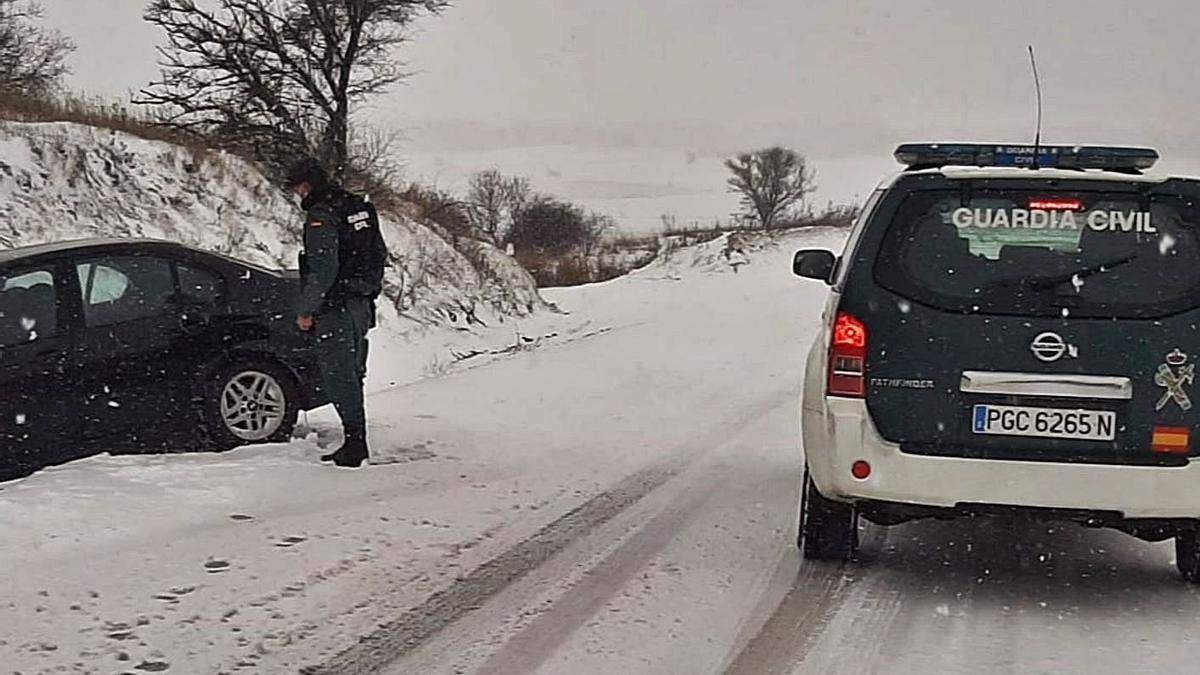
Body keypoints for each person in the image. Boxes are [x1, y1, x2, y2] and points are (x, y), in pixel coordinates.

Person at [285, 157, 387, 468]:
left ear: (306, 185)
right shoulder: (358, 207)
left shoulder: (322, 215)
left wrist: (306, 310)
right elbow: (379, 252)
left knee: (339, 373)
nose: (297, 194)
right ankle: (357, 439)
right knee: (353, 371)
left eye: (297, 188)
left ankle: (355, 445)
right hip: (360, 302)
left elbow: (323, 269)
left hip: (336, 306)